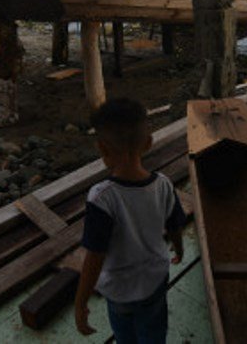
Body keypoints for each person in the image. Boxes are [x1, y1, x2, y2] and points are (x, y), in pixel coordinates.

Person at [74, 98, 186, 343]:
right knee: (154, 331)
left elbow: (94, 257)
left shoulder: (101, 198)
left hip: (120, 291)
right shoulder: (163, 184)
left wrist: (80, 304)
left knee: (125, 335)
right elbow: (175, 224)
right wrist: (179, 250)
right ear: (148, 143)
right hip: (156, 279)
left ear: (102, 149)